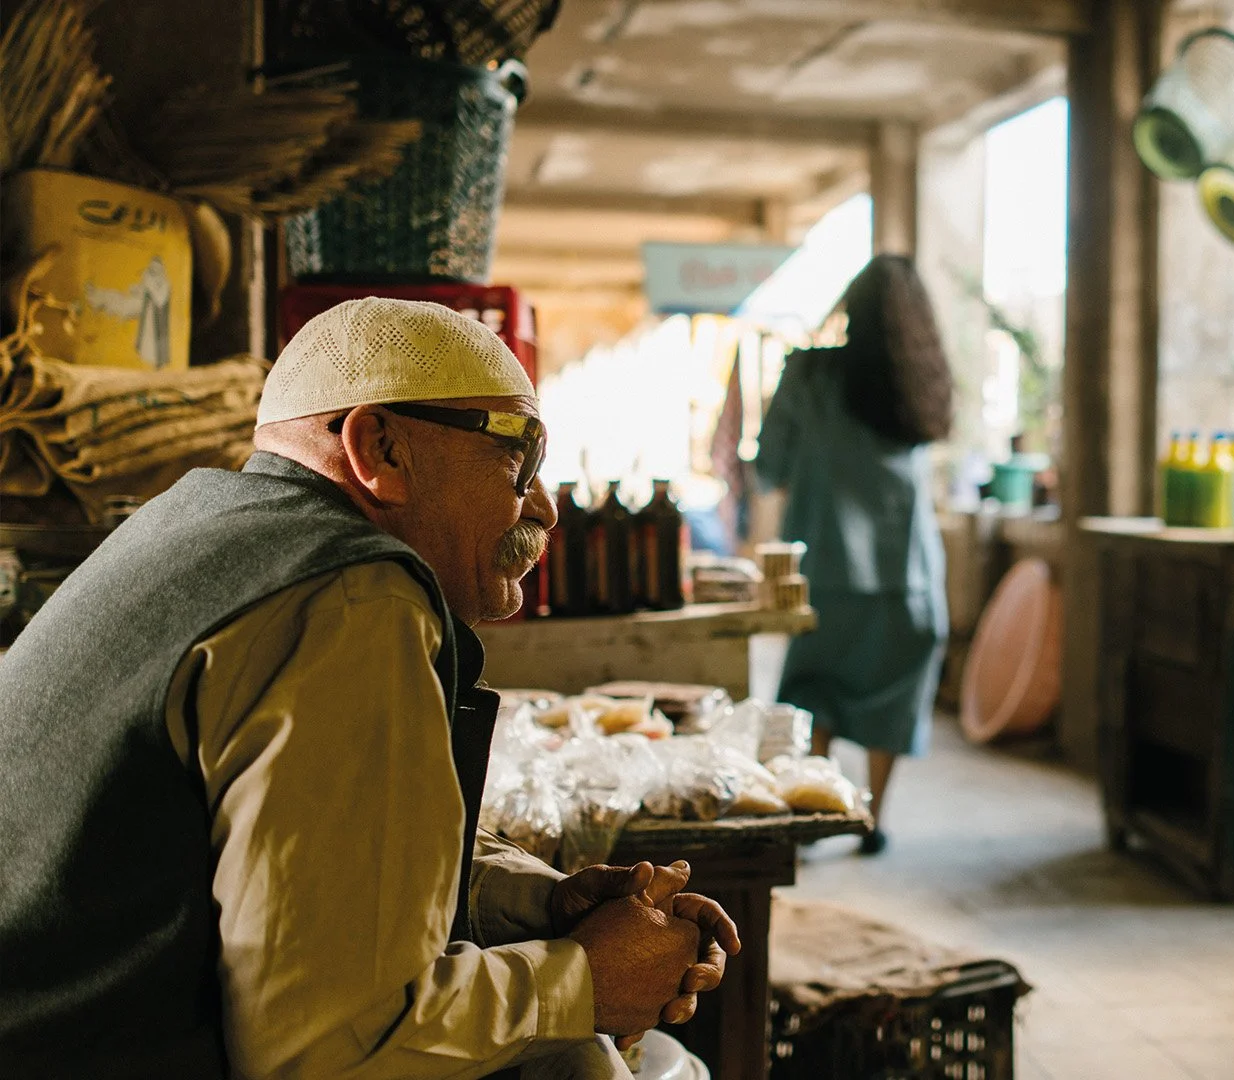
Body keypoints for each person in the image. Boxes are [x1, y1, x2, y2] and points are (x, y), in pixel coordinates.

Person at [0, 298, 739, 1079]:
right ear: (379, 447)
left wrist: (538, 902)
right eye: (518, 458)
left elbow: (307, 861)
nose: (545, 506)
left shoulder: (189, 524)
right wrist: (586, 981)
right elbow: (325, 1047)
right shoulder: (354, 600)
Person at [755, 255, 952, 855]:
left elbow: (771, 467)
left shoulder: (809, 375)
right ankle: (871, 817)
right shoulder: (922, 383)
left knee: (815, 694)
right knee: (893, 700)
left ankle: (818, 814)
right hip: (909, 578)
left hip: (828, 573)